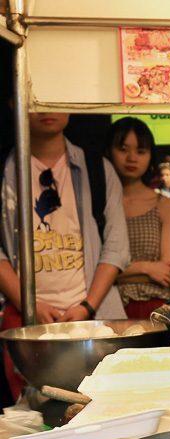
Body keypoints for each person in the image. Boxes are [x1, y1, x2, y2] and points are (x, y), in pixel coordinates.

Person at [0, 112, 129, 400]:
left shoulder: (97, 169)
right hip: (25, 324)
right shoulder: (6, 171)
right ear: (16, 102)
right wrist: (29, 304)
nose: (47, 110)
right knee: (32, 414)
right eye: (37, 100)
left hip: (94, 321)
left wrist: (86, 305)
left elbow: (117, 247)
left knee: (100, 405)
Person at [106, 117, 170, 319]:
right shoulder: (97, 204)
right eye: (123, 149)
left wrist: (113, 274)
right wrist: (147, 268)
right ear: (109, 151)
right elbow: (90, 271)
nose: (132, 158)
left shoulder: (165, 206)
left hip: (153, 308)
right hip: (105, 304)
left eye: (141, 151)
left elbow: (166, 272)